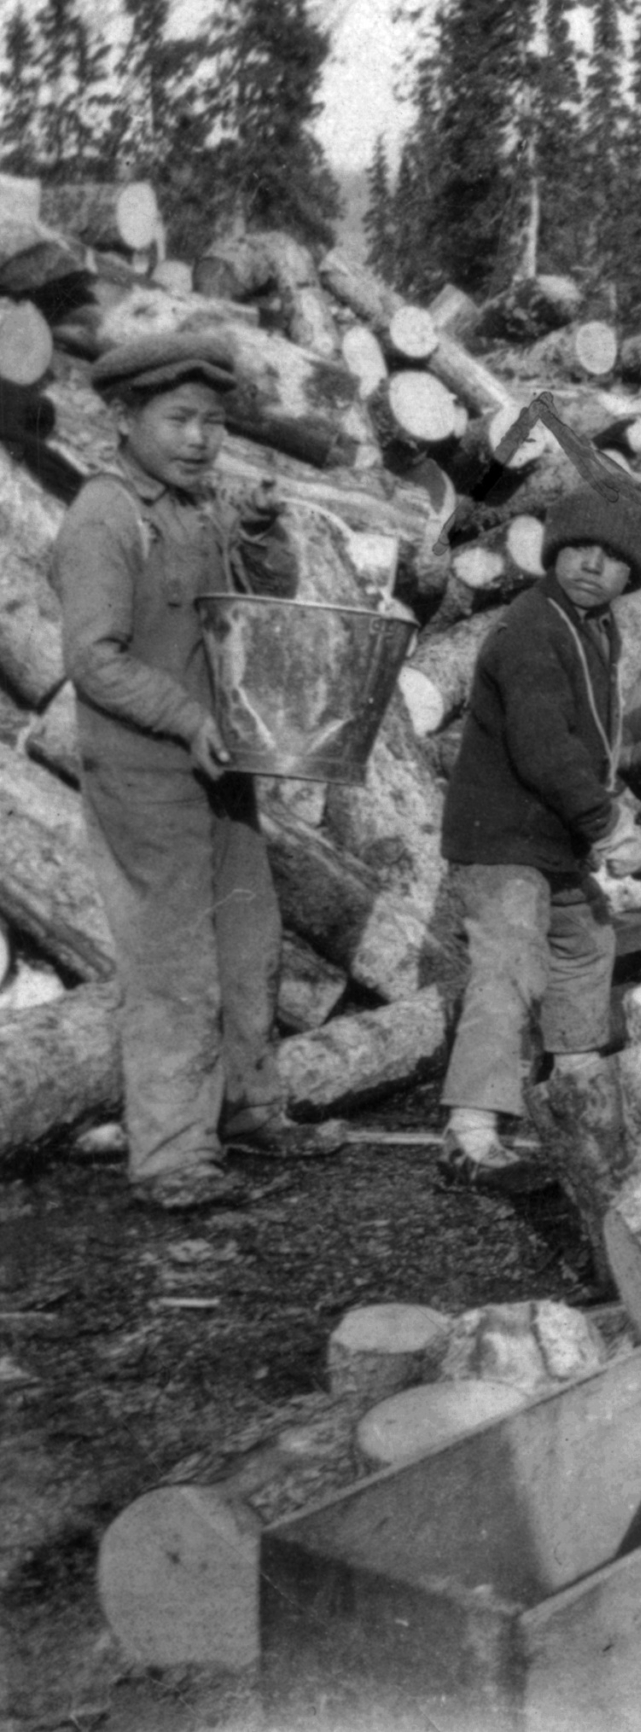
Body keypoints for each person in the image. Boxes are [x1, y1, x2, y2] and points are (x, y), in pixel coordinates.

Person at [50, 331, 307, 1210]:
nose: (201, 439)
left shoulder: (198, 511)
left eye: (214, 423)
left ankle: (249, 1109)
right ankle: (169, 1156)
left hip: (221, 772)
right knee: (171, 964)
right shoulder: (104, 518)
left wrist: (267, 534)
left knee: (248, 939)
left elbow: (260, 601)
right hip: (144, 775)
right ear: (125, 418)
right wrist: (190, 717)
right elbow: (94, 660)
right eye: (180, 419)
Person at [435, 482, 641, 1191]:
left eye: (614, 558)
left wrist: (616, 783)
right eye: (579, 549)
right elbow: (543, 749)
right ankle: (469, 1130)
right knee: (511, 965)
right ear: (554, 552)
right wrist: (608, 824)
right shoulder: (530, 629)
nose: (593, 565)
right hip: (503, 835)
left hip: (546, 837)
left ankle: (576, 1079)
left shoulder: (593, 626)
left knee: (586, 937)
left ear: (633, 575)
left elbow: (585, 735)